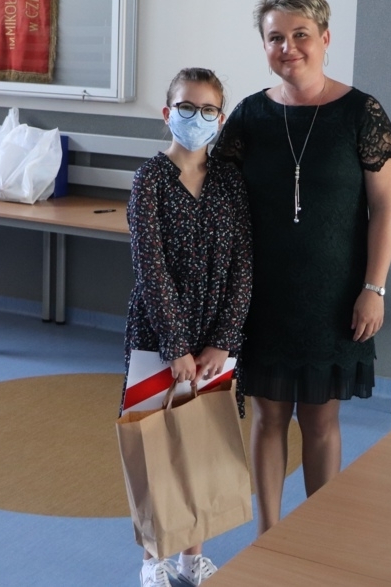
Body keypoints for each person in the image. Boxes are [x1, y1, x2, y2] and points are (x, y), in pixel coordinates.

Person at [212, 0, 391, 534]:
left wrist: (374, 288)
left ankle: (319, 535)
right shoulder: (249, 116)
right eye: (276, 38)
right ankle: (268, 535)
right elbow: (218, 201)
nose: (288, 48)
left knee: (320, 420)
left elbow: (384, 210)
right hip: (263, 296)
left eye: (301, 35)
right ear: (264, 45)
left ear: (325, 38)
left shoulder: (362, 114)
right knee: (268, 417)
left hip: (336, 296)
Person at [121, 68, 253, 587]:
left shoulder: (229, 182)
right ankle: (153, 559)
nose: (196, 118)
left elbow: (243, 264)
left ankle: (191, 558)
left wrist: (224, 340)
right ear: (167, 112)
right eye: (186, 107)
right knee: (155, 444)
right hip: (158, 335)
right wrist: (175, 345)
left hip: (216, 337)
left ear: (220, 119)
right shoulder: (149, 180)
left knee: (201, 445)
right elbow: (149, 267)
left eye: (208, 110)